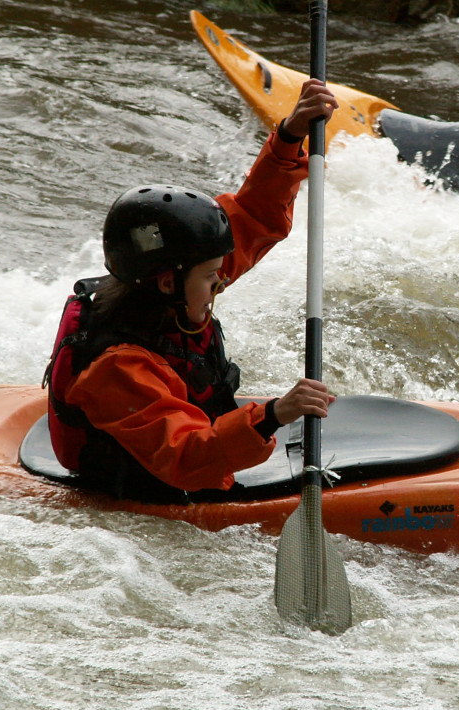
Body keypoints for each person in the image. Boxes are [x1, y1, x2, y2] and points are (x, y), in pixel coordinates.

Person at [45, 80, 339, 502]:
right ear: (169, 281)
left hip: (189, 447)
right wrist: (273, 415)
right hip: (150, 485)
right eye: (212, 275)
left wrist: (290, 135)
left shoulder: (173, 284)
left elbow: (254, 215)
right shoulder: (118, 369)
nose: (221, 281)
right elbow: (186, 453)